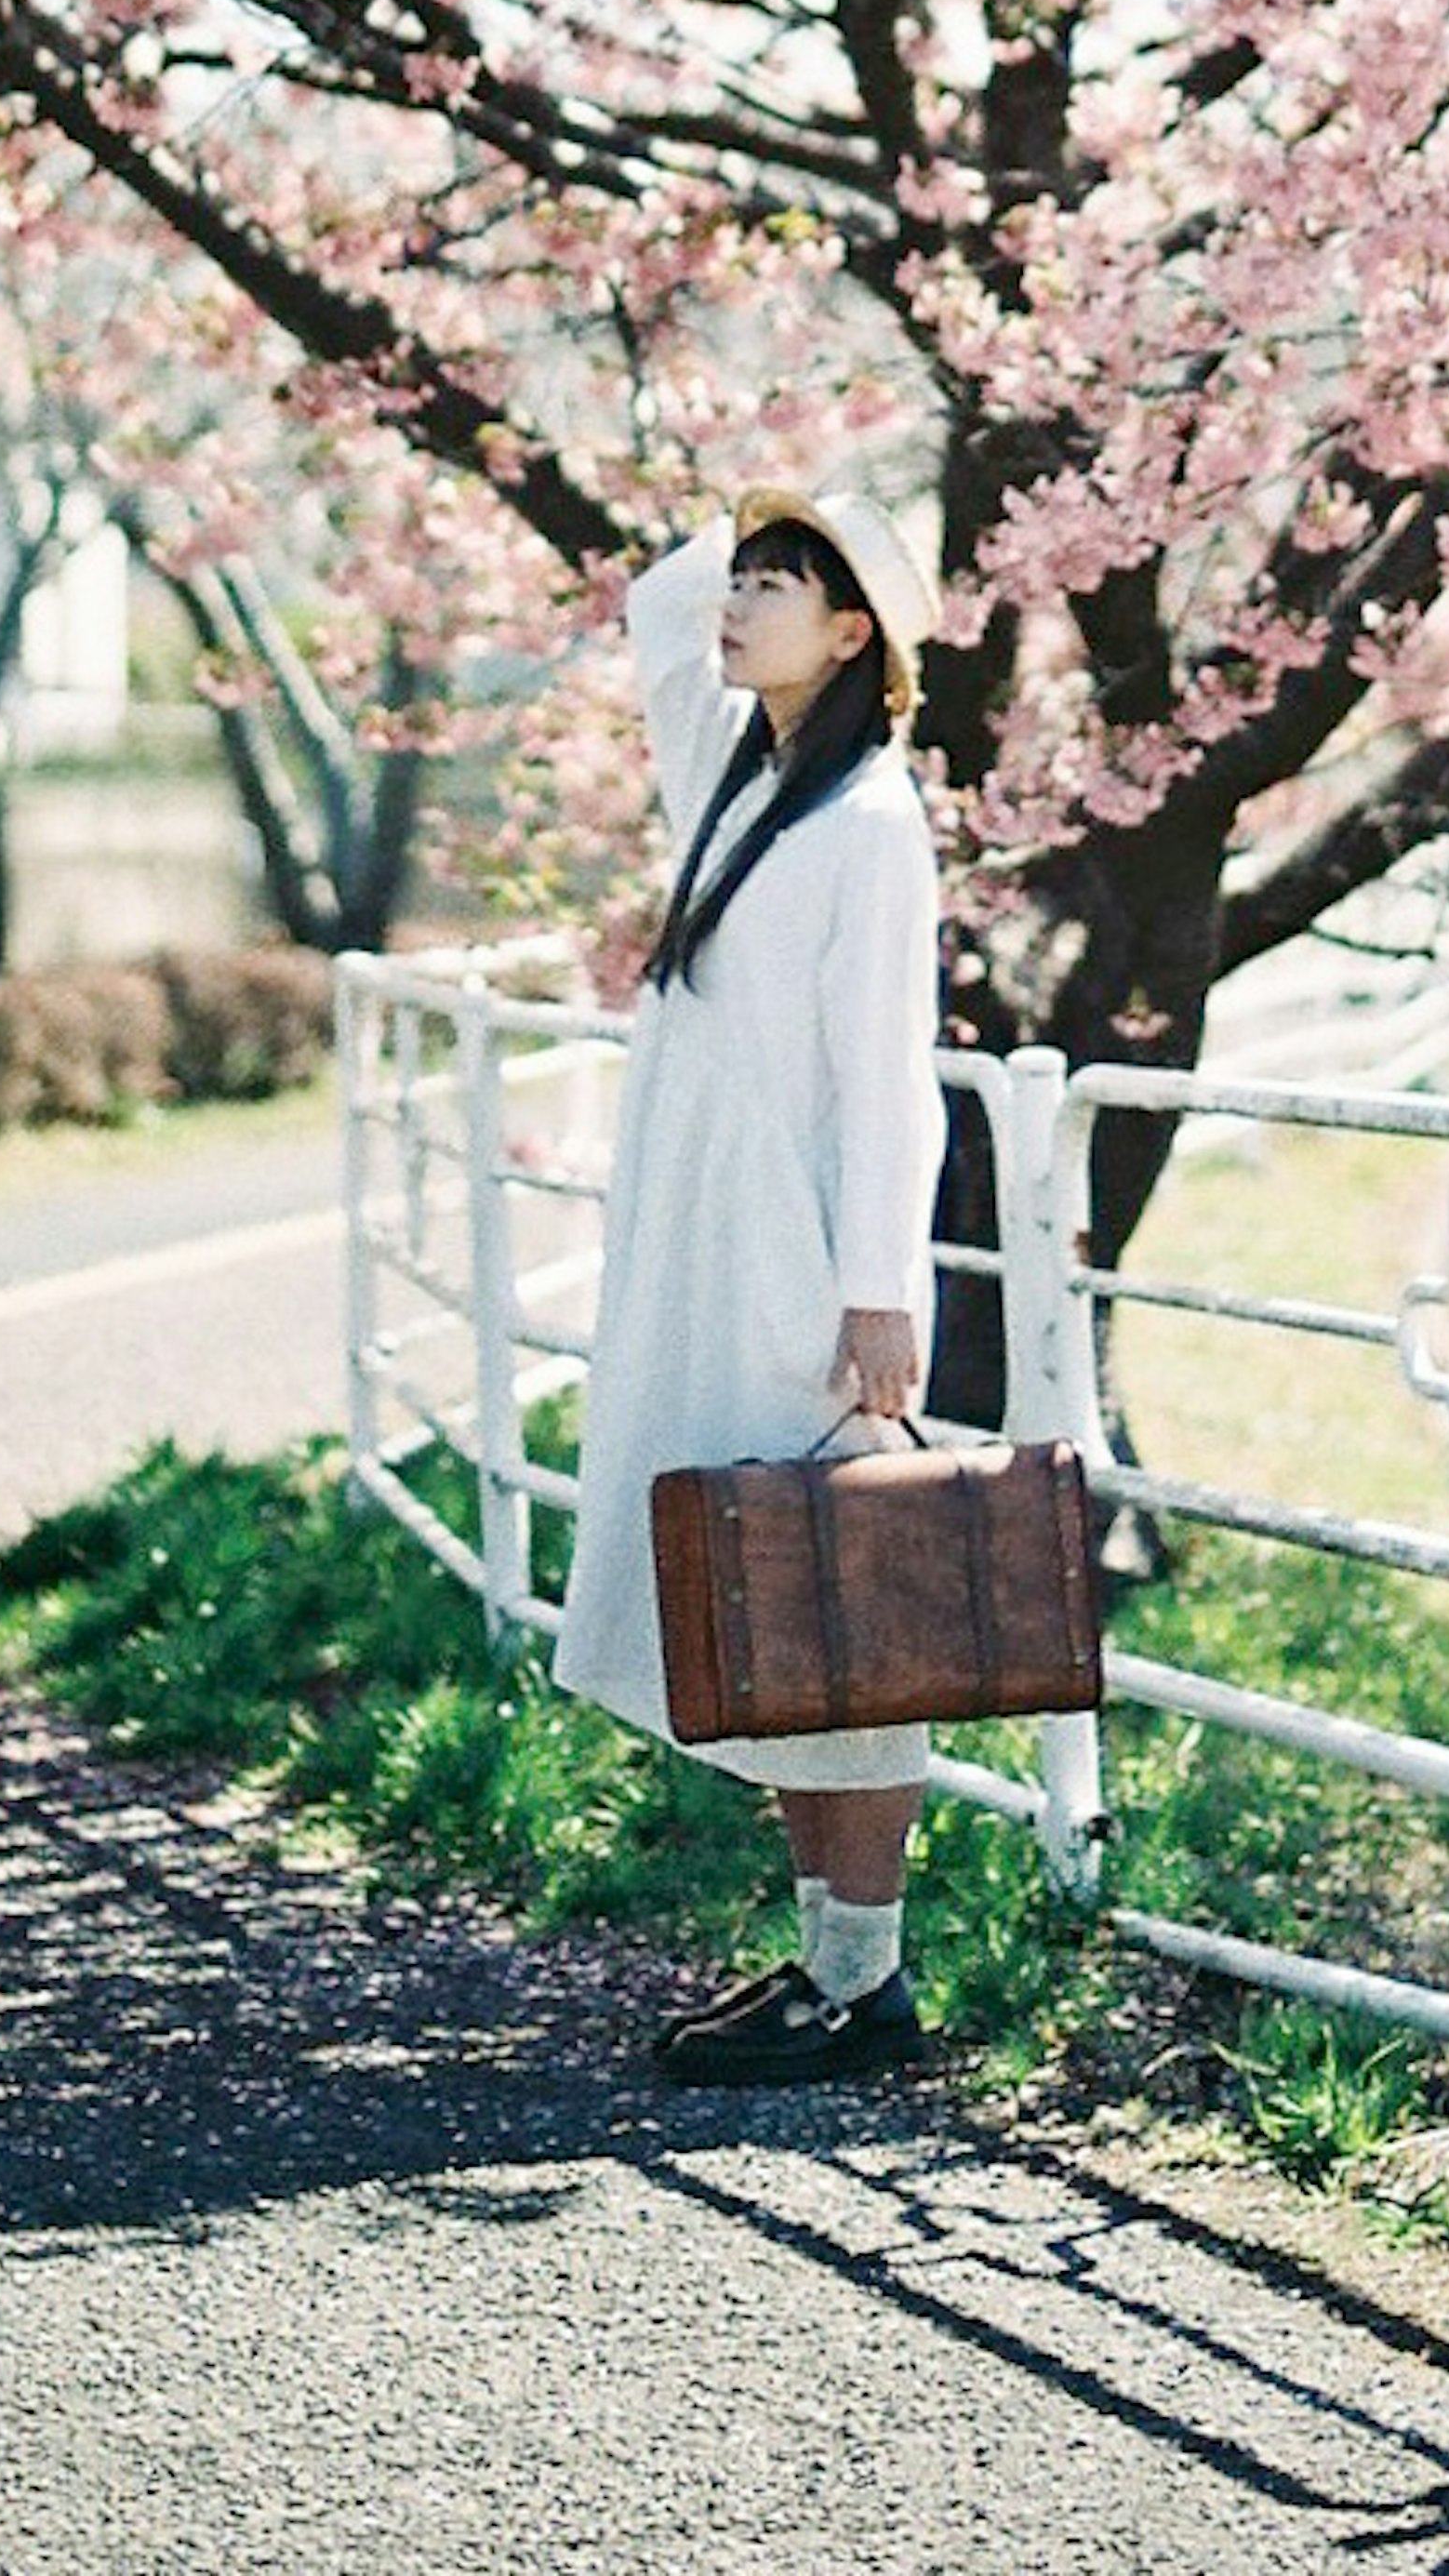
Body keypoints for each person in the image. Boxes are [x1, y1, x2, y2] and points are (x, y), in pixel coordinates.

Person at [552, 479, 945, 2081]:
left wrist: (881, 1293)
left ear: (851, 633)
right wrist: (751, 511)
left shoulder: (871, 818)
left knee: (847, 1595)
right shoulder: (742, 781)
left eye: (778, 586)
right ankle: (825, 1966)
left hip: (803, 1252)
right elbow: (657, 615)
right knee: (774, 1600)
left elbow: (887, 1077)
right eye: (746, 577)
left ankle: (867, 1977)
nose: (736, 603)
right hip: (710, 1240)